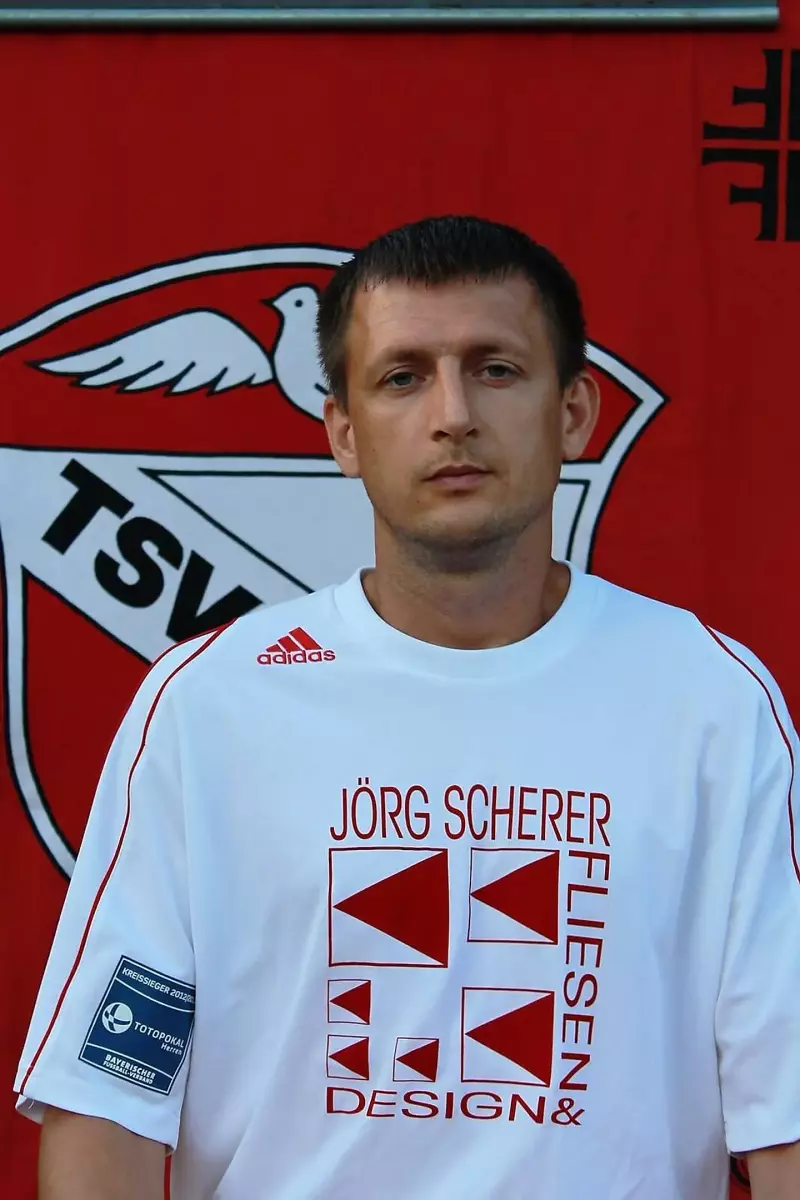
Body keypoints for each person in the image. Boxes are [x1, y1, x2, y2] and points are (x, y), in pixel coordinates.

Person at [15, 215, 800, 1200]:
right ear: (342, 433)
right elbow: (108, 1107)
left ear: (573, 413)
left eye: (495, 369)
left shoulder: (708, 703)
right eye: (402, 377)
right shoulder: (210, 705)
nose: (452, 414)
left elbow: (784, 1107)